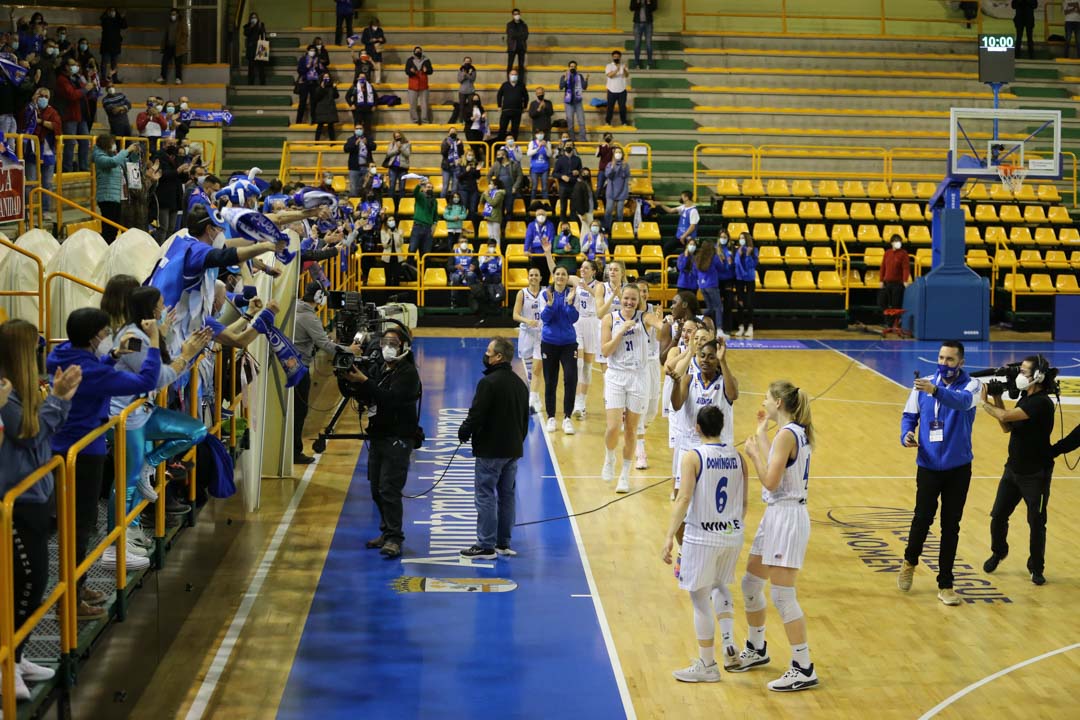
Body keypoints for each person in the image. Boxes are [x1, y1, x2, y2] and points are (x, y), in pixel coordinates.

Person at [47, 308, 163, 615]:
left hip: (60, 447)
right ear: (93, 336)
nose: (106, 336)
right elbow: (147, 379)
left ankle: (76, 584)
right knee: (80, 526)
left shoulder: (61, 354)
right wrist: (153, 341)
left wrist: (112, 356)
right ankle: (69, 601)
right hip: (83, 454)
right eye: (103, 333)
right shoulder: (93, 373)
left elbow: (90, 368)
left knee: (75, 524)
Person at [0, 319, 82, 698]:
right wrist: (58, 400)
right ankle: (6, 662)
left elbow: (46, 432)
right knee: (25, 584)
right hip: (14, 502)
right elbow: (29, 432)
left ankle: (16, 658)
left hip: (34, 495)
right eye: (36, 349)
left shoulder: (22, 392)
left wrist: (58, 400)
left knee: (33, 584)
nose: (42, 356)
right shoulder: (6, 395)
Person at [733, 380, 818, 692]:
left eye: (767, 398)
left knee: (783, 596)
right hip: (777, 515)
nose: (763, 401)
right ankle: (757, 648)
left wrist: (753, 454)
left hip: (788, 517)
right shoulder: (791, 431)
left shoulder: (787, 434)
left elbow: (769, 480)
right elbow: (777, 465)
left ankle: (803, 666)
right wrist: (760, 432)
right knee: (751, 582)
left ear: (779, 402)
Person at [663, 405, 747, 683]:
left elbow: (683, 499)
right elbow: (743, 502)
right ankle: (728, 640)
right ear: (721, 427)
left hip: (702, 536)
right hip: (732, 534)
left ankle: (708, 664)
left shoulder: (692, 456)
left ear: (697, 428)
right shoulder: (738, 457)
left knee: (699, 598)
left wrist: (668, 538)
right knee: (720, 584)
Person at [110, 287, 211, 513]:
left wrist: (166, 340)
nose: (164, 310)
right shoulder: (134, 338)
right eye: (161, 305)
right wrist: (185, 356)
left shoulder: (145, 335)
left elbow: (162, 367)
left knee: (196, 431)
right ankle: (117, 543)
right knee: (127, 480)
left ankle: (150, 464)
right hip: (127, 417)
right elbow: (156, 379)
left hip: (143, 411)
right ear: (151, 308)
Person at [897, 341, 981, 606]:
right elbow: (909, 416)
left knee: (950, 525)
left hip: (958, 468)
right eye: (941, 358)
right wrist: (906, 434)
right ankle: (910, 561)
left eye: (950, 359)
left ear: (961, 362)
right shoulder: (923, 385)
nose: (944, 363)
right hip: (929, 465)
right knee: (922, 518)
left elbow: (963, 402)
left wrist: (936, 391)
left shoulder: (972, 385)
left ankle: (946, 584)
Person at [981, 356, 1057, 585]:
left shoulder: (1041, 403)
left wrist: (984, 401)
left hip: (1036, 475)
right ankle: (999, 551)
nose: (1019, 376)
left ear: (1038, 376)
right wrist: (996, 396)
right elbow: (1007, 427)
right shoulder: (1027, 398)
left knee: (1036, 522)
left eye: (1024, 372)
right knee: (998, 516)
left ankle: (1036, 568)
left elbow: (1003, 416)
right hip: (1013, 470)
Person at [347, 328, 422, 559]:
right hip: (378, 435)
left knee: (389, 489)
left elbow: (390, 399)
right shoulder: (379, 369)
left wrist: (366, 381)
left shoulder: (408, 374)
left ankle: (394, 538)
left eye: (393, 342)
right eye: (385, 342)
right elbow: (368, 395)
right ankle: (386, 530)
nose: (388, 346)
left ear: (403, 347)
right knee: (376, 489)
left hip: (398, 437)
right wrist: (349, 379)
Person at [458, 337, 530, 559]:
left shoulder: (488, 383)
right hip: (513, 451)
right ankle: (503, 543)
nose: (486, 355)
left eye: (489, 351)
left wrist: (464, 431)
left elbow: (477, 414)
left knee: (486, 494)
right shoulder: (520, 384)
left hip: (491, 451)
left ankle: (485, 544)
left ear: (499, 357)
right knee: (507, 496)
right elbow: (524, 420)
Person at [600, 283, 663, 492]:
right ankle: (609, 458)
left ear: (639, 301)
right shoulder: (610, 319)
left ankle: (625, 475)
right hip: (616, 376)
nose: (629, 302)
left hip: (638, 377)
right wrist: (620, 331)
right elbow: (606, 351)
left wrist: (669, 324)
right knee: (613, 427)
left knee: (631, 430)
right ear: (620, 298)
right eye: (626, 298)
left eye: (633, 299)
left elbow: (661, 327)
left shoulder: (645, 318)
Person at [294, 282, 362, 463]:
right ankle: (295, 452)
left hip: (291, 366)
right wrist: (350, 350)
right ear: (318, 297)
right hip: (298, 370)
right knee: (299, 412)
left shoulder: (293, 309)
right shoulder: (309, 317)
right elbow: (325, 345)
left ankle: (291, 451)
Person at [540, 264, 580, 434]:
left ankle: (567, 418)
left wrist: (570, 303)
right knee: (550, 381)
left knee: (571, 379)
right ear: (553, 276)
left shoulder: (572, 294)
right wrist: (549, 304)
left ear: (567, 278)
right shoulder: (545, 294)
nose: (561, 277)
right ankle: (550, 417)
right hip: (549, 343)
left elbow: (573, 319)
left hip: (569, 343)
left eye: (564, 274)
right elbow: (544, 319)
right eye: (558, 274)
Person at [513, 267, 545, 413]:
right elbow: (515, 315)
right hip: (527, 332)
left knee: (536, 368)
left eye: (536, 275)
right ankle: (535, 396)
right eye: (531, 275)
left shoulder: (545, 293)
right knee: (529, 368)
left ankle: (533, 398)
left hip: (541, 333)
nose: (533, 277)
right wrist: (527, 320)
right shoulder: (522, 293)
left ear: (540, 278)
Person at [91, 134, 132, 243]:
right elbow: (113, 163)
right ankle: (105, 251)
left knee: (114, 229)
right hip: (107, 197)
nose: (115, 146)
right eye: (112, 143)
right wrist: (127, 150)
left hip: (117, 197)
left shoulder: (114, 156)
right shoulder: (99, 156)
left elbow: (126, 162)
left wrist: (134, 154)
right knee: (109, 230)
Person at [56, 57, 90, 172]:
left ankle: (84, 167)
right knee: (70, 143)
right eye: (72, 64)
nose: (75, 66)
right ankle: (67, 168)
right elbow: (72, 95)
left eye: (76, 64)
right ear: (66, 66)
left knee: (85, 142)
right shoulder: (62, 79)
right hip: (70, 116)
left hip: (82, 115)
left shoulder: (76, 78)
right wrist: (85, 89)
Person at [693, 240, 725, 334]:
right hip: (712, 285)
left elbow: (695, 272)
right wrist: (721, 257)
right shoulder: (714, 257)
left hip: (702, 286)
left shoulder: (697, 258)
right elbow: (722, 268)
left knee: (710, 308)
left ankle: (696, 318)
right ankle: (719, 329)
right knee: (718, 307)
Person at [659, 190, 699, 259]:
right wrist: (661, 204)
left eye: (682, 196)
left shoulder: (693, 211)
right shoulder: (683, 207)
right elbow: (671, 210)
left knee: (686, 255)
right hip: (679, 236)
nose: (681, 198)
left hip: (689, 238)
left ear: (686, 198)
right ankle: (669, 267)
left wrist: (684, 236)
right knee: (667, 247)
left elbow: (692, 226)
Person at [880, 234, 910, 319]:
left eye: (899, 241)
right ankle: (888, 320)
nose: (898, 243)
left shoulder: (903, 253)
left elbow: (906, 268)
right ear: (892, 243)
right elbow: (883, 267)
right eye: (896, 241)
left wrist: (905, 281)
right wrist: (881, 280)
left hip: (898, 284)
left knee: (895, 304)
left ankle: (894, 323)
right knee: (882, 301)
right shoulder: (887, 253)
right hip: (887, 283)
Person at [733, 233, 758, 339]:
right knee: (740, 303)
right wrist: (738, 255)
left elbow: (752, 265)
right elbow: (735, 264)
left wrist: (748, 255)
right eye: (740, 238)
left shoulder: (753, 250)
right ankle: (741, 326)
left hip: (749, 279)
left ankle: (750, 327)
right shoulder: (737, 250)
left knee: (749, 303)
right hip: (739, 279)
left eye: (743, 238)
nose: (741, 240)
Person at [559, 61, 589, 142]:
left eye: (574, 66)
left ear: (576, 68)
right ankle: (572, 139)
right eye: (571, 66)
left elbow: (584, 87)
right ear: (569, 67)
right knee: (570, 123)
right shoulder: (564, 76)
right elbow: (561, 87)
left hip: (578, 101)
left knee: (581, 121)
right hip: (568, 102)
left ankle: (583, 139)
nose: (572, 68)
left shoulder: (580, 76)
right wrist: (565, 79)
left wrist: (586, 80)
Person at [524, 208, 555, 286]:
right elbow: (528, 237)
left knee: (545, 277)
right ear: (535, 216)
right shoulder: (531, 225)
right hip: (534, 255)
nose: (541, 216)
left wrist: (548, 251)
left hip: (545, 256)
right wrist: (526, 249)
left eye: (543, 214)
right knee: (534, 276)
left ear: (546, 216)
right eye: (539, 215)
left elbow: (551, 238)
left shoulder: (550, 225)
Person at [407, 177, 437, 256]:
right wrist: (419, 185)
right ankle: (409, 266)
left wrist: (435, 224)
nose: (429, 189)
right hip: (418, 226)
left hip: (428, 228)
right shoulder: (420, 196)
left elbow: (435, 215)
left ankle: (424, 268)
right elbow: (415, 193)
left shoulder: (434, 201)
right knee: (412, 249)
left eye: (431, 187)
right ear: (423, 189)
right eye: (428, 187)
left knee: (426, 252)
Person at [603, 146, 630, 232]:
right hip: (611, 192)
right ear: (613, 154)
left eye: (620, 152)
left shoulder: (626, 165)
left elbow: (626, 175)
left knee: (619, 213)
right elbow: (608, 175)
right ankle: (607, 228)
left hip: (622, 192)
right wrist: (613, 167)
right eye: (616, 152)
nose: (618, 154)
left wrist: (623, 167)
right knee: (608, 211)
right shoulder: (609, 164)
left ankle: (619, 229)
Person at [157, 7, 187, 84]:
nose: (172, 16)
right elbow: (166, 34)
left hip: (178, 46)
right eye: (171, 14)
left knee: (178, 63)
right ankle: (163, 77)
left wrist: (181, 43)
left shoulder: (181, 22)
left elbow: (185, 34)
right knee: (164, 61)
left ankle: (178, 78)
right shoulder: (169, 23)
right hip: (169, 46)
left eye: (174, 14)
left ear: (177, 14)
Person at [496, 70, 528, 143]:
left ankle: (513, 145)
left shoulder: (521, 85)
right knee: (502, 128)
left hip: (517, 111)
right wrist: (499, 106)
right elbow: (499, 95)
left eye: (515, 74)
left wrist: (525, 106)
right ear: (509, 75)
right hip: (506, 111)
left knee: (515, 129)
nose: (514, 76)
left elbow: (526, 96)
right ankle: (500, 145)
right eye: (512, 74)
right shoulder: (505, 85)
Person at [295, 45, 324, 125]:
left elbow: (321, 71)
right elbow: (299, 70)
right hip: (304, 82)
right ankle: (299, 121)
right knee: (302, 102)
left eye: (314, 50)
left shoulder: (317, 60)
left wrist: (317, 67)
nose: (312, 52)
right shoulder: (303, 59)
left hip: (314, 82)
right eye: (311, 50)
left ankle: (314, 120)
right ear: (307, 51)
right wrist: (308, 67)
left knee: (314, 102)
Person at [554, 142, 582, 222]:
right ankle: (563, 225)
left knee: (573, 208)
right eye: (567, 145)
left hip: (574, 185)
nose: (568, 147)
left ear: (573, 147)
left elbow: (582, 171)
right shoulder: (560, 160)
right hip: (563, 186)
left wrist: (578, 172)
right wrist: (562, 176)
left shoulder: (577, 159)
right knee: (563, 208)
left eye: (570, 145)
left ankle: (573, 225)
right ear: (564, 147)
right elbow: (554, 173)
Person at [405, 46, 433, 125]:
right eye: (416, 51)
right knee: (412, 105)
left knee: (424, 105)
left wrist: (426, 70)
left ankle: (425, 120)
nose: (418, 52)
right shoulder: (410, 60)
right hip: (412, 86)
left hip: (423, 86)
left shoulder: (426, 60)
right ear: (414, 52)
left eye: (419, 51)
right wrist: (411, 72)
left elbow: (431, 71)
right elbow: (407, 71)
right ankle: (414, 121)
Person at [345, 125, 376, 198]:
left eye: (360, 128)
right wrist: (355, 144)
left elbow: (374, 147)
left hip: (366, 167)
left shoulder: (368, 138)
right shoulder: (351, 139)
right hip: (354, 167)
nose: (359, 130)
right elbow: (346, 149)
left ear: (363, 130)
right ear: (354, 130)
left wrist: (367, 143)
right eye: (357, 129)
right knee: (354, 189)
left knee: (367, 188)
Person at [383, 131, 411, 212]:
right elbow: (388, 154)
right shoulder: (392, 144)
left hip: (403, 168)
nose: (398, 137)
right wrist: (396, 149)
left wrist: (401, 148)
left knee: (402, 187)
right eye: (396, 136)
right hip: (393, 168)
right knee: (392, 186)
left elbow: (407, 154)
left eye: (399, 136)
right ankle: (391, 205)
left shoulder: (407, 144)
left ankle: (401, 206)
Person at [99, 7, 127, 84]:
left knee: (114, 64)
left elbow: (124, 26)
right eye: (110, 11)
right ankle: (103, 78)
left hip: (115, 46)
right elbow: (104, 22)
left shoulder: (118, 20)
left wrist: (122, 17)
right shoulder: (105, 20)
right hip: (106, 46)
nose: (112, 12)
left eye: (113, 11)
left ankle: (115, 78)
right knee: (104, 63)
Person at [347, 70, 377, 138]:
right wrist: (351, 104)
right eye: (360, 77)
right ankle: (356, 140)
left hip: (368, 110)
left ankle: (368, 141)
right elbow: (347, 97)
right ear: (357, 78)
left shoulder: (370, 87)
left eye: (363, 77)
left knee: (368, 127)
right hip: (357, 110)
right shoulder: (354, 87)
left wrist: (374, 105)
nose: (362, 79)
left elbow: (376, 97)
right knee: (357, 126)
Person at [605, 50, 630, 127]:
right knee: (610, 107)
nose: (616, 58)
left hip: (622, 90)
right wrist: (617, 69)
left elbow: (626, 75)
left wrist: (624, 69)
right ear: (612, 57)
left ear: (620, 57)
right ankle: (608, 122)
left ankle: (624, 122)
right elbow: (610, 75)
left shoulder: (623, 66)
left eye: (618, 57)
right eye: (615, 56)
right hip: (611, 90)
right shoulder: (609, 66)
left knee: (622, 107)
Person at [630, 0, 657, 69]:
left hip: (648, 24)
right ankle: (636, 62)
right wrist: (638, 2)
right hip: (637, 23)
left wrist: (648, 3)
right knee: (637, 44)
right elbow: (631, 8)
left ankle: (650, 63)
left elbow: (654, 8)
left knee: (649, 44)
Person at [526, 131, 551, 205]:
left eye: (542, 134)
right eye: (539, 134)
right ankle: (532, 203)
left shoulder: (548, 143)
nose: (540, 135)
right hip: (534, 168)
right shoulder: (532, 143)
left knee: (545, 187)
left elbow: (549, 155)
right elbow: (528, 154)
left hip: (545, 168)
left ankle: (546, 203)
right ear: (536, 135)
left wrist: (546, 146)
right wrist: (538, 148)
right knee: (534, 186)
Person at [313, 73, 339, 141]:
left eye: (327, 77)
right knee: (320, 125)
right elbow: (316, 98)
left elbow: (336, 96)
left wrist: (334, 88)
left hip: (330, 108)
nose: (326, 78)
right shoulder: (318, 87)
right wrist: (321, 88)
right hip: (321, 109)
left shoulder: (331, 87)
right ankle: (316, 141)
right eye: (325, 77)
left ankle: (332, 142)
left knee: (331, 126)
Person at [244, 12, 268, 86]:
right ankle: (250, 82)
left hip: (261, 47)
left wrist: (259, 26)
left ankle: (262, 82)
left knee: (261, 67)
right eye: (252, 18)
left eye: (255, 17)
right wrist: (251, 26)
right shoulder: (247, 26)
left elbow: (263, 34)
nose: (254, 19)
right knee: (251, 67)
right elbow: (246, 33)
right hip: (251, 48)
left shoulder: (261, 24)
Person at [440, 127, 464, 198]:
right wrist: (449, 145)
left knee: (454, 188)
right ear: (448, 133)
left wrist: (458, 145)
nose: (453, 133)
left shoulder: (459, 141)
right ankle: (441, 202)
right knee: (445, 187)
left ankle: (453, 204)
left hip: (456, 166)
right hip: (446, 167)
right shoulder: (445, 141)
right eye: (451, 131)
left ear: (456, 133)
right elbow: (443, 153)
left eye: (454, 131)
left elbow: (461, 153)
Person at [359, 18, 386, 83]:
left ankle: (378, 81)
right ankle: (368, 80)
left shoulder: (380, 30)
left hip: (377, 51)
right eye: (375, 24)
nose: (376, 26)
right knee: (368, 66)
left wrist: (381, 40)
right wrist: (370, 41)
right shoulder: (366, 30)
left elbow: (384, 40)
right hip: (369, 51)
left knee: (378, 66)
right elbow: (363, 40)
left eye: (377, 24)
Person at [506, 9, 529, 81]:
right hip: (512, 47)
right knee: (510, 65)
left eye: (518, 14)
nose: (517, 15)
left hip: (521, 47)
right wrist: (520, 35)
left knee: (521, 66)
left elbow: (526, 36)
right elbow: (511, 35)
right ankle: (509, 79)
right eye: (515, 14)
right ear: (512, 15)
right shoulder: (509, 24)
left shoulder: (524, 25)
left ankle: (520, 81)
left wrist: (518, 35)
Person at [456, 57, 477, 123]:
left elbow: (472, 79)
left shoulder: (473, 70)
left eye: (469, 61)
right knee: (461, 107)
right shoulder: (461, 69)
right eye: (466, 61)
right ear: (463, 62)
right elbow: (459, 80)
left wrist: (466, 75)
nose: (467, 63)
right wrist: (463, 75)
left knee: (471, 107)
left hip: (471, 91)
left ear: (471, 62)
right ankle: (461, 121)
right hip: (462, 91)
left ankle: (470, 121)